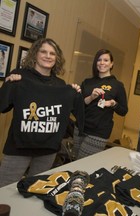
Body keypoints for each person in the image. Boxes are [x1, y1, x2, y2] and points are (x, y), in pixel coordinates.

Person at [0, 38, 84, 188]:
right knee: (5, 189)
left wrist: (74, 93)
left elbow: (73, 112)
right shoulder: (20, 76)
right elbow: (3, 106)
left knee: (35, 189)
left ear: (56, 58)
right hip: (18, 147)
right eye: (43, 51)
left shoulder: (60, 85)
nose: (48, 56)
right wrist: (8, 84)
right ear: (35, 54)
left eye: (52, 53)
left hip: (48, 149)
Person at [73, 49, 128, 159]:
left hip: (98, 133)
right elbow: (78, 106)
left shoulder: (117, 85)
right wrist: (91, 97)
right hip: (79, 128)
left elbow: (123, 111)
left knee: (83, 164)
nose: (102, 63)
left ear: (111, 64)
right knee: (74, 160)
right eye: (99, 60)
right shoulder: (87, 82)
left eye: (106, 60)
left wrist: (113, 103)